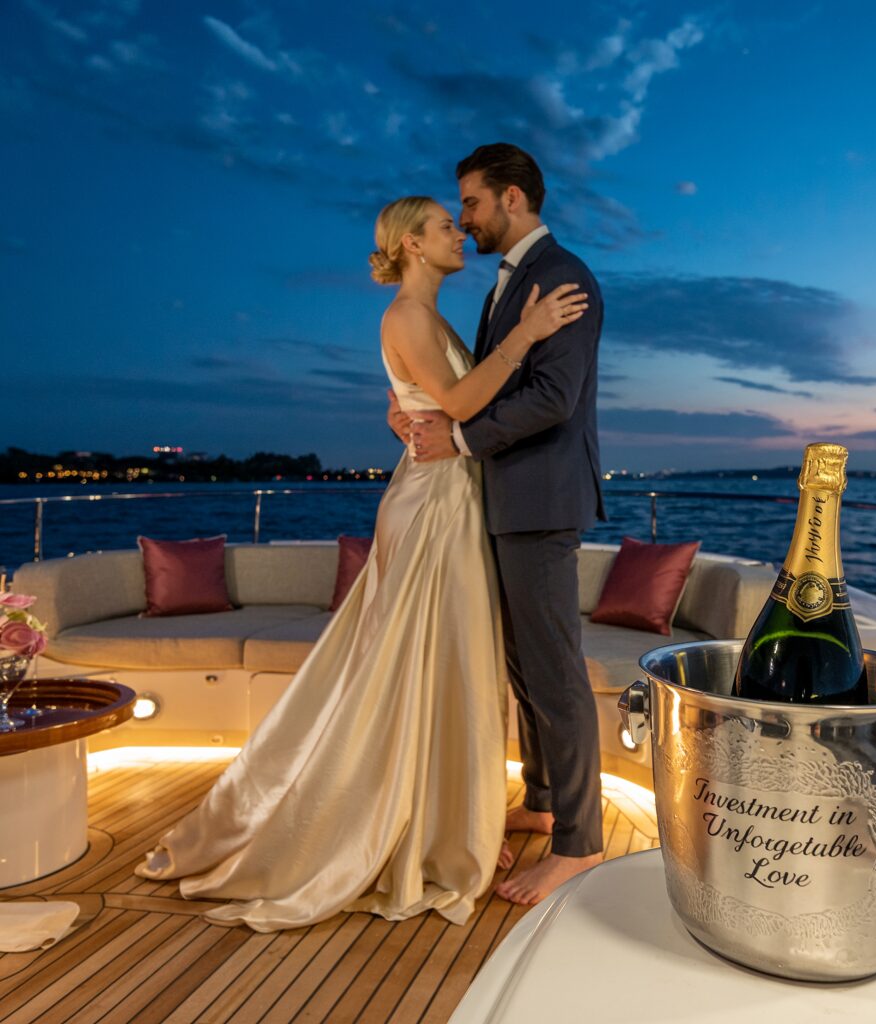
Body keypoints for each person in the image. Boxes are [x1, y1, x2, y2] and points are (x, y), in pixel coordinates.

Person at [134, 196, 587, 931]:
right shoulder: (407, 315)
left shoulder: (428, 316)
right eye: (445, 225)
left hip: (449, 495)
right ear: (412, 244)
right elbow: (461, 402)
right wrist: (526, 334)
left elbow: (429, 401)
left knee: (441, 663)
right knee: (414, 662)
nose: (459, 231)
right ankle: (404, 826)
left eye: (460, 217)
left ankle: (439, 820)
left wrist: (404, 408)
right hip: (434, 503)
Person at [391, 143, 607, 906]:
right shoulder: (507, 285)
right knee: (524, 667)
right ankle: (544, 802)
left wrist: (458, 440)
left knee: (554, 673)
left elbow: (552, 398)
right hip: (504, 501)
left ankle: (580, 844)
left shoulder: (564, 276)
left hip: (539, 502)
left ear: (512, 199)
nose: (467, 219)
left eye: (472, 203)